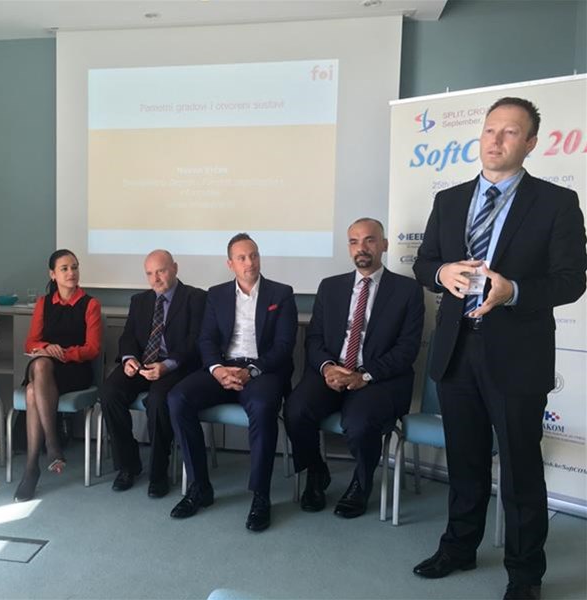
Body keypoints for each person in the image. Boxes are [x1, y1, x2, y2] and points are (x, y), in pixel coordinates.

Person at [412, 97, 587, 600]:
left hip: (517, 356)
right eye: (490, 129)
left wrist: (514, 291)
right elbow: (424, 263)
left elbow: (571, 280)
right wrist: (441, 272)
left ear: (530, 143)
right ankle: (459, 547)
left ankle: (525, 574)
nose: (496, 139)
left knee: (520, 471)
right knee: (464, 462)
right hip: (456, 350)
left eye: (510, 132)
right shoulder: (449, 200)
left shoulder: (556, 202)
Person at [285, 218, 424, 518]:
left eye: (369, 240)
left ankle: (361, 483)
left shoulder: (408, 291)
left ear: (384, 244)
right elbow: (314, 338)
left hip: (379, 379)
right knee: (296, 410)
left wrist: (365, 376)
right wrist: (327, 368)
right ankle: (316, 472)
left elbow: (407, 350)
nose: (361, 248)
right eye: (354, 241)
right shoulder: (330, 287)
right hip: (333, 372)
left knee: (359, 422)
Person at [168, 233, 297, 531]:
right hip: (223, 367)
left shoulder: (281, 294)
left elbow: (284, 346)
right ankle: (199, 487)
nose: (249, 262)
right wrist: (216, 370)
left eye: (254, 255)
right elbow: (206, 339)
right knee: (177, 398)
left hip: (262, 371)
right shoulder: (216, 294)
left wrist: (251, 371)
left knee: (263, 407)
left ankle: (260, 496)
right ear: (230, 264)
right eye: (241, 258)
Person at [99, 250, 205, 497]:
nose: (155, 279)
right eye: (149, 273)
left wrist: (167, 365)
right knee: (109, 393)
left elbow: (195, 340)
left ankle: (158, 472)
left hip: (176, 366)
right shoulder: (140, 300)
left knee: (158, 401)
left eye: (161, 271)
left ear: (175, 268)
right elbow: (128, 336)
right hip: (142, 363)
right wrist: (129, 359)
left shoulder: (196, 298)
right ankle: (128, 465)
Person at [14, 249, 102, 502]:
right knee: (41, 366)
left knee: (33, 390)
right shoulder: (43, 303)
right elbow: (30, 343)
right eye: (64, 268)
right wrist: (45, 348)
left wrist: (63, 353)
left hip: (74, 370)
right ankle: (51, 446)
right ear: (53, 274)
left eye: (74, 267)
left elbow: (92, 349)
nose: (71, 272)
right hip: (44, 367)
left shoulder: (90, 304)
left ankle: (33, 467)